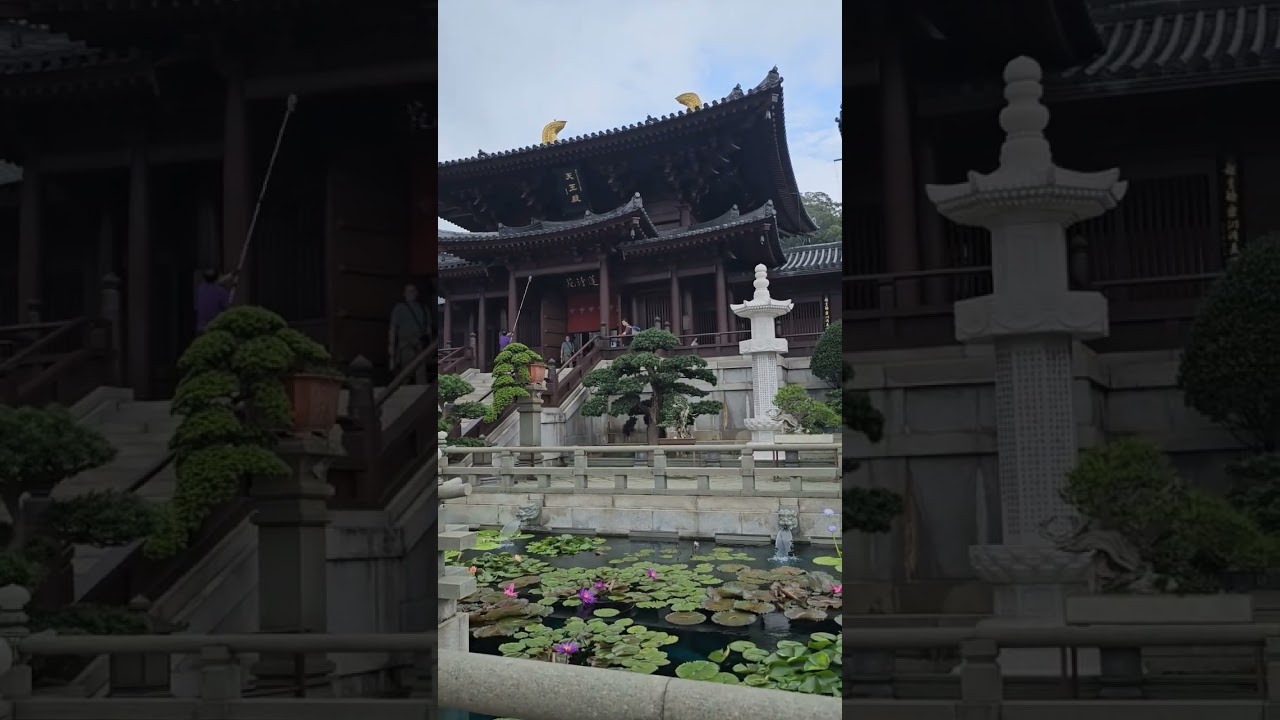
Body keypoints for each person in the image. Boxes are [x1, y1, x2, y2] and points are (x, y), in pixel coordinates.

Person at [387, 283, 429, 384]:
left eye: (413, 291)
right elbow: (393, 329)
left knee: (421, 374)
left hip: (419, 345)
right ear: (404, 294)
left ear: (416, 293)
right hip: (405, 345)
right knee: (405, 373)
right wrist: (391, 347)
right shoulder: (399, 308)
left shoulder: (423, 308)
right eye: (408, 291)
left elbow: (428, 329)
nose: (411, 294)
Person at [195, 268, 234, 332]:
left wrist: (230, 275)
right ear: (217, 278)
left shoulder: (200, 289)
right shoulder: (221, 291)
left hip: (201, 328)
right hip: (215, 328)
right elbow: (227, 309)